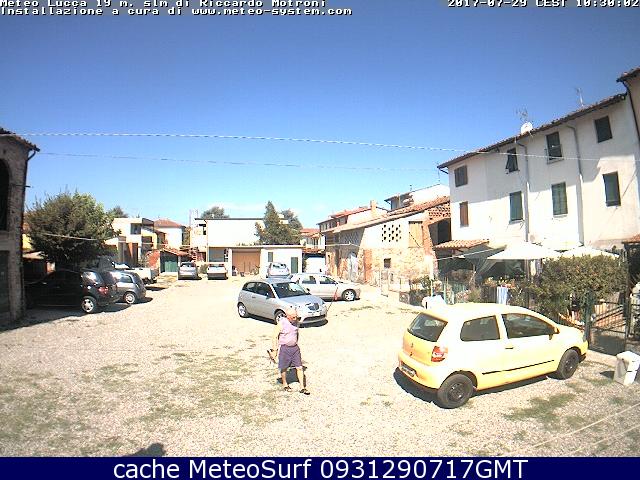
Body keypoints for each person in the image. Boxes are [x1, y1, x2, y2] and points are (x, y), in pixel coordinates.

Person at [270, 306, 310, 395]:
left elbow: (297, 333)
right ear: (288, 317)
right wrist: (274, 350)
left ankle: (302, 387)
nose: (295, 318)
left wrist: (295, 342)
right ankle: (285, 384)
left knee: (299, 367)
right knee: (284, 367)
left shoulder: (296, 322)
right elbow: (274, 336)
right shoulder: (282, 323)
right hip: (285, 348)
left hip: (295, 348)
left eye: (296, 316)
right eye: (293, 317)